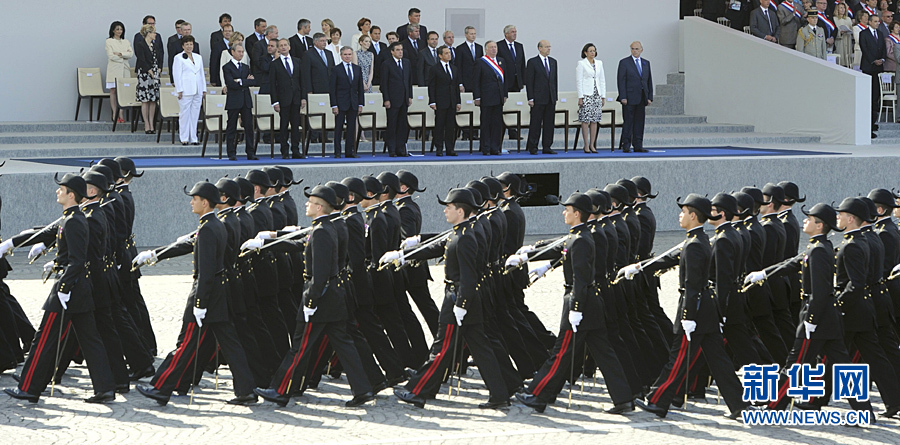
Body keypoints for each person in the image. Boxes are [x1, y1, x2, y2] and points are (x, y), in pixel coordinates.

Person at [622, 194, 750, 420]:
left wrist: (688, 315)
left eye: (683, 212)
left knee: (678, 358)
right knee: (718, 361)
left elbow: (692, 284)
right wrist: (641, 266)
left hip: (696, 310)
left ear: (693, 216)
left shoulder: (695, 245)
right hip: (706, 309)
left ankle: (658, 401)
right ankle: (739, 404)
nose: (679, 216)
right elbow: (670, 257)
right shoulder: (697, 240)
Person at [508, 193, 633, 414]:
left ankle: (539, 394)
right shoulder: (578, 236)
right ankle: (623, 398)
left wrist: (575, 309)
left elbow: (581, 279)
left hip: (581, 304)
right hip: (590, 304)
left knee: (561, 352)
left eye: (567, 209)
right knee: (604, 354)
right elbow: (561, 250)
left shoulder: (582, 239)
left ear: (577, 214)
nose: (563, 212)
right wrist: (530, 257)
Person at [134, 181, 257, 407]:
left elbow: (207, 270)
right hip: (218, 293)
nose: (191, 202)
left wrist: (200, 302)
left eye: (194, 199)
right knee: (230, 344)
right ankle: (246, 390)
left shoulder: (210, 228)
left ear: (205, 202)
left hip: (208, 295)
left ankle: (162, 387)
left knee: (188, 343)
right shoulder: (213, 224)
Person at [254, 185, 376, 408]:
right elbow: (302, 244)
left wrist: (310, 302)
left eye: (310, 202)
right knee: (344, 344)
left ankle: (280, 390)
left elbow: (319, 274)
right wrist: (268, 243)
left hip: (321, 299)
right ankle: (363, 389)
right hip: (334, 296)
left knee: (300, 346)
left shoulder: (321, 231)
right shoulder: (328, 226)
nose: (306, 205)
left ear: (319, 207)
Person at [388, 189, 511, 410]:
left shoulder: (465, 237)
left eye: (449, 207)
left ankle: (418, 390)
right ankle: (500, 393)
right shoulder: (463, 230)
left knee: (441, 348)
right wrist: (404, 254)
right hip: (464, 297)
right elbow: (439, 244)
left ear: (461, 211)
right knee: (480, 348)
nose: (445, 210)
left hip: (459, 298)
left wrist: (461, 305)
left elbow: (469, 276)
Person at [1, 174, 116, 404]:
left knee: (44, 339)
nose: (57, 192)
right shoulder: (72, 217)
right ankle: (105, 388)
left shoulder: (73, 221)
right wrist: (14, 242)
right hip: (79, 288)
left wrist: (63, 288)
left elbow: (76, 260)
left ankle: (29, 388)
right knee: (90, 340)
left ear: (71, 194)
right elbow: (47, 233)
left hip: (69, 289)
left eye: (61, 189)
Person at [270, 38, 306, 159]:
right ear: (278, 48)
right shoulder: (275, 64)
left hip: (296, 98)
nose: (283, 47)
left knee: (295, 125)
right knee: (284, 125)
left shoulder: (297, 61)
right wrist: (275, 101)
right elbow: (272, 85)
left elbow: (302, 81)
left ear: (289, 47)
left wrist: (303, 97)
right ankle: (284, 151)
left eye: (285, 45)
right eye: (281, 46)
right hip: (283, 99)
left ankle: (295, 150)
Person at [616, 41, 652, 153]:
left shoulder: (646, 63)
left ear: (641, 49)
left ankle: (638, 145)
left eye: (637, 49)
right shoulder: (624, 62)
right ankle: (626, 144)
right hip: (629, 97)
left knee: (639, 122)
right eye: (632, 49)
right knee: (628, 122)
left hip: (642, 97)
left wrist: (649, 96)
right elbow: (621, 81)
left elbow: (648, 81)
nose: (634, 51)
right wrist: (623, 97)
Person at [223, 44, 257, 161]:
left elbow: (253, 81)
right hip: (234, 100)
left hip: (246, 100)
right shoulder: (227, 67)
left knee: (249, 127)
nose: (241, 54)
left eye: (242, 52)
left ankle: (250, 152)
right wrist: (245, 81)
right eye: (239, 52)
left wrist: (241, 81)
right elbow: (230, 84)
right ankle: (231, 152)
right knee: (231, 126)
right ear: (233, 52)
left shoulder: (246, 67)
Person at [473, 41, 508, 156]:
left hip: (498, 98)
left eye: (495, 47)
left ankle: (495, 147)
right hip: (486, 97)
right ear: (486, 50)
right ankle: (486, 148)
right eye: (491, 47)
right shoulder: (480, 62)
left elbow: (505, 80)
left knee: (497, 124)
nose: (494, 49)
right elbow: (476, 81)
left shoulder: (501, 61)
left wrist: (504, 94)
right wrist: (477, 96)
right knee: (486, 124)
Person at [525, 40, 558, 155]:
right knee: (536, 123)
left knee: (549, 123)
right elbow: (529, 81)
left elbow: (554, 81)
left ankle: (547, 146)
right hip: (538, 98)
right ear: (539, 48)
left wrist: (555, 96)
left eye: (549, 46)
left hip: (550, 98)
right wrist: (530, 98)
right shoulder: (532, 62)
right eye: (546, 47)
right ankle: (533, 146)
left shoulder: (553, 62)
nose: (549, 49)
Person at [331, 47, 365, 158]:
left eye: (349, 54)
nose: (347, 56)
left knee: (351, 128)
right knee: (339, 128)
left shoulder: (357, 69)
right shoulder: (336, 69)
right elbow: (332, 89)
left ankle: (350, 151)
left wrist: (360, 104)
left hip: (353, 103)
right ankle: (337, 152)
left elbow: (360, 88)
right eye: (345, 54)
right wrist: (334, 105)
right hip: (340, 103)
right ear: (341, 55)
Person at [172, 35, 206, 146]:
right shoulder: (178, 57)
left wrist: (203, 89)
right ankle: (184, 137)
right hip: (185, 90)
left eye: (191, 44)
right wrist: (179, 90)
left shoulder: (198, 57)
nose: (189, 46)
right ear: (183, 46)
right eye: (187, 44)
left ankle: (194, 137)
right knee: (184, 114)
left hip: (197, 89)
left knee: (195, 114)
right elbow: (176, 74)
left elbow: (201, 74)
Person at [427, 45, 460, 156]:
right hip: (440, 101)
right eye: (446, 53)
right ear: (440, 55)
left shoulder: (454, 68)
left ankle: (450, 148)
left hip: (452, 101)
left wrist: (458, 101)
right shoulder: (434, 69)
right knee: (440, 125)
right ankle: (439, 148)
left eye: (449, 53)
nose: (448, 55)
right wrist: (432, 101)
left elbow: (456, 87)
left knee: (451, 126)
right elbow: (431, 86)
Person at [302, 33, 335, 144]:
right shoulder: (308, 54)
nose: (324, 43)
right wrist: (308, 90)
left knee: (326, 111)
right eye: (321, 41)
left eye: (325, 41)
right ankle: (313, 136)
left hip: (328, 88)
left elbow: (332, 71)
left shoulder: (329, 53)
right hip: (315, 88)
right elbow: (306, 73)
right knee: (315, 112)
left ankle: (324, 136)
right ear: (315, 42)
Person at [381, 42, 412, 157]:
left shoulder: (407, 63)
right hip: (393, 99)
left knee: (402, 125)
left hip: (404, 98)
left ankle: (401, 148)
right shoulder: (387, 64)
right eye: (398, 50)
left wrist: (410, 96)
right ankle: (392, 149)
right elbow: (384, 84)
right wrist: (386, 99)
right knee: (392, 125)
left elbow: (409, 81)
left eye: (401, 49)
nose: (400, 52)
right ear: (392, 51)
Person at [575, 43, 605, 153]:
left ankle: (592, 144)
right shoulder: (581, 64)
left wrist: (603, 96)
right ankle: (586, 144)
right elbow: (579, 80)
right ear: (585, 52)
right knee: (585, 120)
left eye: (594, 51)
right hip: (586, 94)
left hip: (597, 94)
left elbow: (602, 80)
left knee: (595, 120)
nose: (593, 53)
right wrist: (580, 96)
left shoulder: (599, 63)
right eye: (590, 51)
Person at [497, 25, 525, 140]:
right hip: (505, 82)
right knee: (505, 106)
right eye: (512, 32)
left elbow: (522, 64)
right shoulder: (499, 46)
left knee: (515, 106)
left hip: (516, 81)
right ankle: (503, 128)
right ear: (506, 34)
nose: (515, 33)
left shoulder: (519, 46)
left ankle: (513, 131)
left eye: (515, 31)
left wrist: (523, 80)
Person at [861, 13, 886, 137]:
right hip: (868, 67)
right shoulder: (863, 34)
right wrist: (873, 60)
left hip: (878, 69)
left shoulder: (880, 34)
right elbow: (864, 49)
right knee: (868, 96)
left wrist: (882, 59)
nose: (877, 23)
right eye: (875, 21)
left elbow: (883, 49)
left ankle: (873, 122)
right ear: (869, 22)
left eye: (878, 21)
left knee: (875, 97)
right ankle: (867, 125)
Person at [135, 24, 160, 134]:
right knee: (145, 100)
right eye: (153, 33)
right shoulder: (141, 44)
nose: (155, 35)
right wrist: (150, 71)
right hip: (145, 74)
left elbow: (159, 58)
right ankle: (146, 124)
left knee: (153, 100)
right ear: (148, 33)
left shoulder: (154, 46)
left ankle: (152, 123)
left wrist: (157, 70)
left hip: (154, 73)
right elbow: (141, 59)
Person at [106, 21, 133, 124]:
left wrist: (121, 54)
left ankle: (121, 113)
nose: (119, 31)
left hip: (125, 69)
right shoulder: (109, 41)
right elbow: (111, 55)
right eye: (117, 29)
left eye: (121, 29)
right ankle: (114, 113)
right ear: (113, 30)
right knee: (113, 90)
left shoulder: (126, 42)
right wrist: (123, 57)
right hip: (114, 69)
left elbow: (130, 54)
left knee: (122, 91)